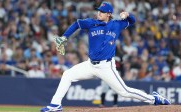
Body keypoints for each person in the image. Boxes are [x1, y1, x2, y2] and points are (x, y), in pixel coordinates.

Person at [41, 2, 170, 112]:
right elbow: (76, 24)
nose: (99, 13)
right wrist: (64, 36)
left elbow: (133, 21)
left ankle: (154, 99)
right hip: (90, 65)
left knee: (124, 91)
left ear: (108, 13)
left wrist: (128, 15)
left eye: (102, 12)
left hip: (106, 66)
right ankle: (55, 105)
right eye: (98, 11)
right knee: (67, 75)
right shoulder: (92, 23)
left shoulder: (116, 24)